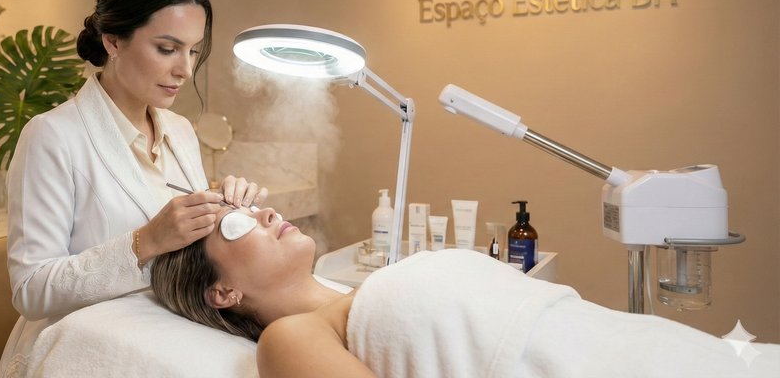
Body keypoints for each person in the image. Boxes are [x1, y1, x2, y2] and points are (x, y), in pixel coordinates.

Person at [0, 0, 267, 377]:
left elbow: (189, 253)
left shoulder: (179, 131)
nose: (185, 69)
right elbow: (32, 290)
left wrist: (227, 211)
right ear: (113, 41)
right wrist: (146, 242)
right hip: (84, 351)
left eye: (193, 51)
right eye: (167, 49)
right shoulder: (52, 136)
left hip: (164, 340)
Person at [151, 205, 767, 378]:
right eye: (234, 223)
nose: (264, 213)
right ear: (222, 292)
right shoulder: (290, 338)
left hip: (639, 347)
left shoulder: (358, 291)